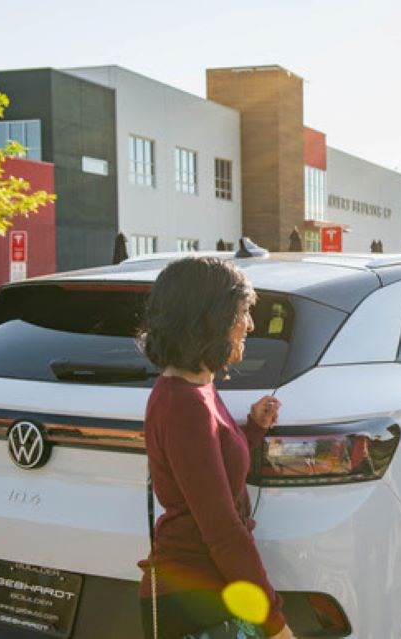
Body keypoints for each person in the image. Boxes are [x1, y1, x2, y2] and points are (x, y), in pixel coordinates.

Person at [139, 257, 293, 639]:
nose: (250, 325)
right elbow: (223, 531)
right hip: (196, 605)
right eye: (243, 312)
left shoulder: (198, 387)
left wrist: (252, 431)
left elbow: (210, 466)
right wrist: (275, 626)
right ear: (212, 317)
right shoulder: (183, 403)